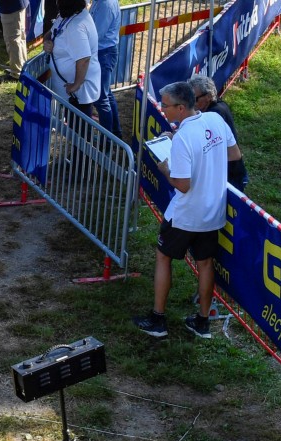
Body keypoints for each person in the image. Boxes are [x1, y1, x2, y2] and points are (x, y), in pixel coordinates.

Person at [133, 81, 242, 339]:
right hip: (212, 212)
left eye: (166, 106)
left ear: (181, 108)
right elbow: (234, 154)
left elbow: (182, 185)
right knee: (205, 264)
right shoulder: (215, 120)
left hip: (185, 215)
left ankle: (158, 319)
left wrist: (165, 170)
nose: (163, 110)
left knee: (163, 257)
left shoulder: (183, 137)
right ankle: (202, 322)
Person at [189, 74, 249, 192]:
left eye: (195, 99)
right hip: (226, 173)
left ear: (208, 96)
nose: (192, 103)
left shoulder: (214, 116)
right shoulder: (219, 105)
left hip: (229, 178)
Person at [43, 0, 100, 116]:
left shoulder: (76, 26)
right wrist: (47, 41)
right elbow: (51, 32)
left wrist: (75, 85)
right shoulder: (69, 16)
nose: (56, 3)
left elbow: (84, 59)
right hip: (70, 93)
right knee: (73, 129)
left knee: (80, 131)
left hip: (77, 95)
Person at [90, 0, 122, 139]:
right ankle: (115, 133)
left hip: (104, 52)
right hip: (103, 51)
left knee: (101, 98)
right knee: (106, 94)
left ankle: (107, 140)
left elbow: (96, 34)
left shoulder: (105, 4)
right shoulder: (100, 2)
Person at [0, 0, 28, 81]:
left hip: (11, 7)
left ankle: (16, 73)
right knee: (20, 38)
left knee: (12, 40)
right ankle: (22, 67)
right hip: (17, 5)